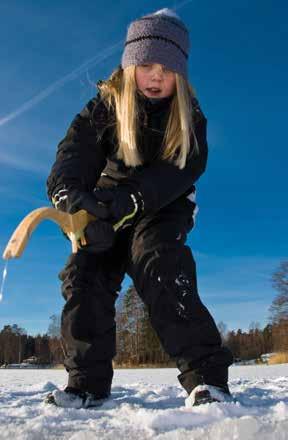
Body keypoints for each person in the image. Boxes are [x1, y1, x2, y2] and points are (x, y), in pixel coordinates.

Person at [45, 8, 233, 409]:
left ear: (180, 74)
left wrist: (133, 199)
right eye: (146, 64)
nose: (156, 76)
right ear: (130, 65)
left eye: (167, 68)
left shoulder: (189, 117)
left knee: (158, 263)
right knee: (84, 274)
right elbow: (74, 155)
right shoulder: (105, 104)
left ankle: (206, 378)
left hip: (163, 206)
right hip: (105, 202)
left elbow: (181, 170)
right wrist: (72, 199)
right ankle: (87, 384)